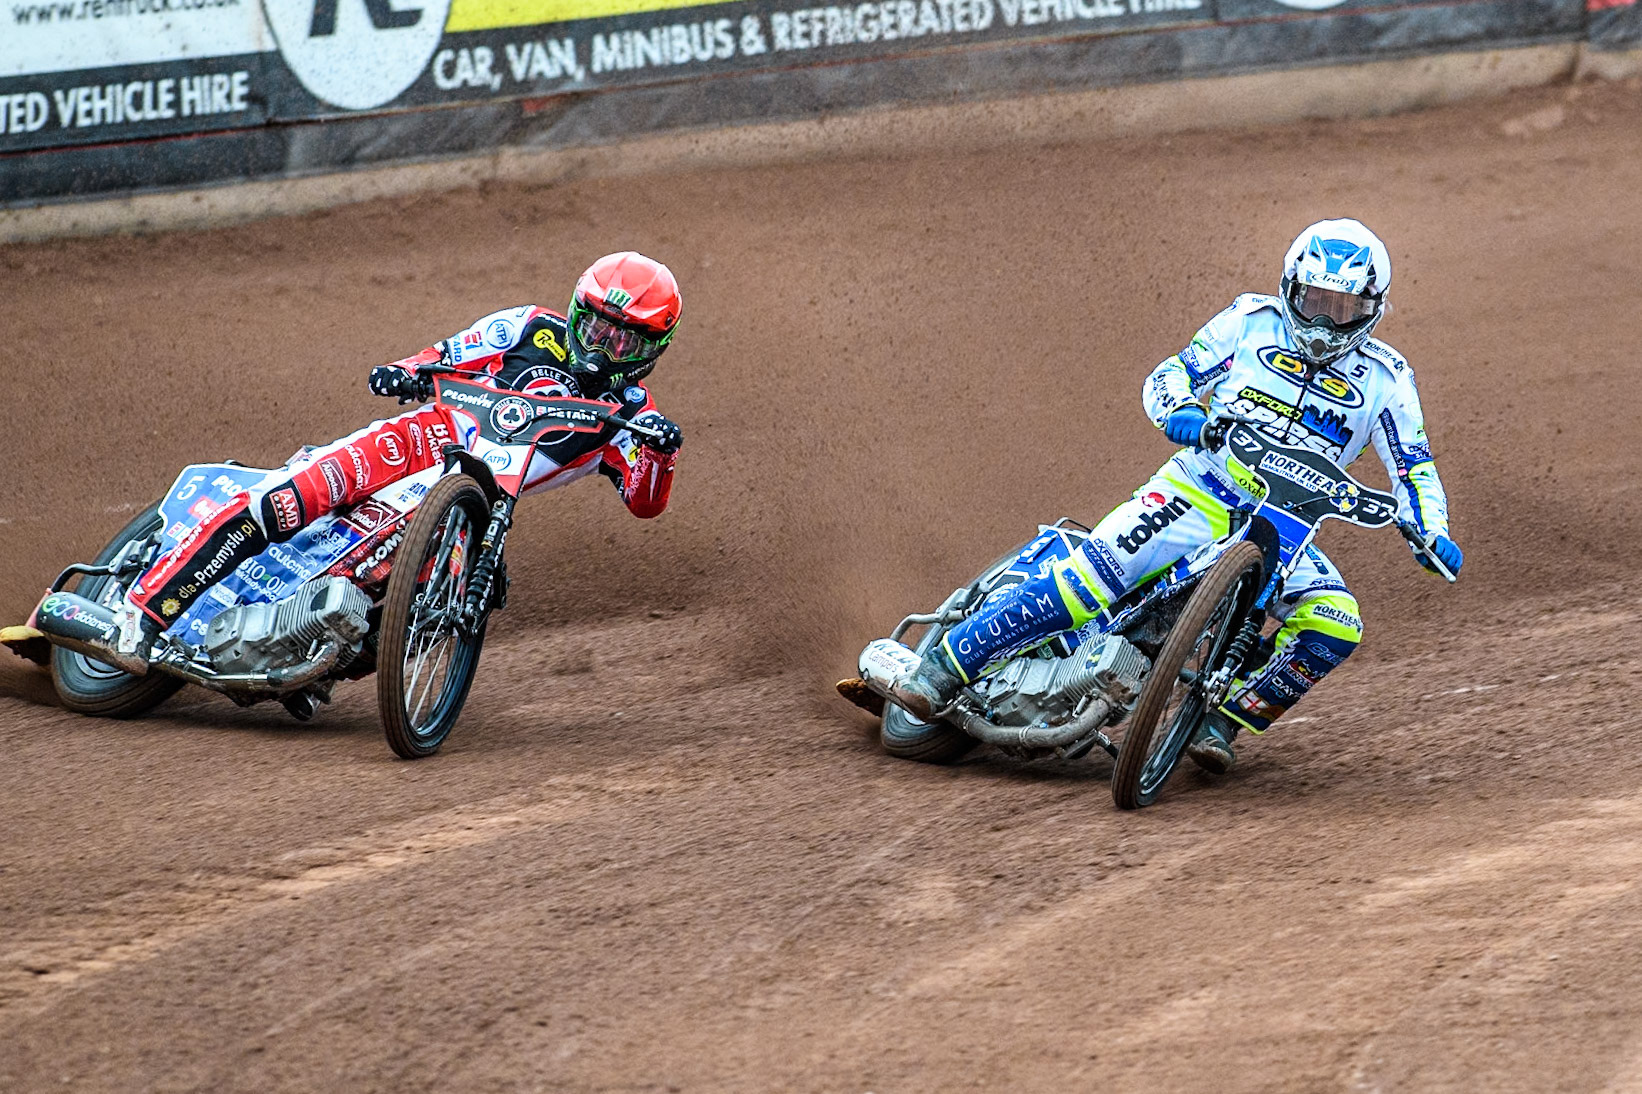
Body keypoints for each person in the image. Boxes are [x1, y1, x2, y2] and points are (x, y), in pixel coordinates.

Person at [895, 218, 1462, 773]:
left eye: (1340, 310)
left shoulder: (1388, 380)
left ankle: (1221, 721)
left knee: (1337, 622)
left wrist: (1431, 529)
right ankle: (944, 667)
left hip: (1288, 528)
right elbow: (1173, 373)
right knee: (1098, 572)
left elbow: (1414, 468)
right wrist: (1183, 411)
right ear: (1290, 286)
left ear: (1372, 309)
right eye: (1312, 299)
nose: (1321, 321)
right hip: (1201, 487)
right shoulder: (1248, 322)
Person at [114, 251, 685, 663]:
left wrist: (660, 454)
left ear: (652, 351)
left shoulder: (637, 413)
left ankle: (318, 649)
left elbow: (644, 502)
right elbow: (452, 351)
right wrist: (407, 371)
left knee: (429, 584)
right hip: (423, 436)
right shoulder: (530, 325)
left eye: (624, 340)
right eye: (595, 325)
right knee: (289, 499)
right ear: (575, 309)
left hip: (478, 501)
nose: (604, 345)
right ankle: (139, 615)